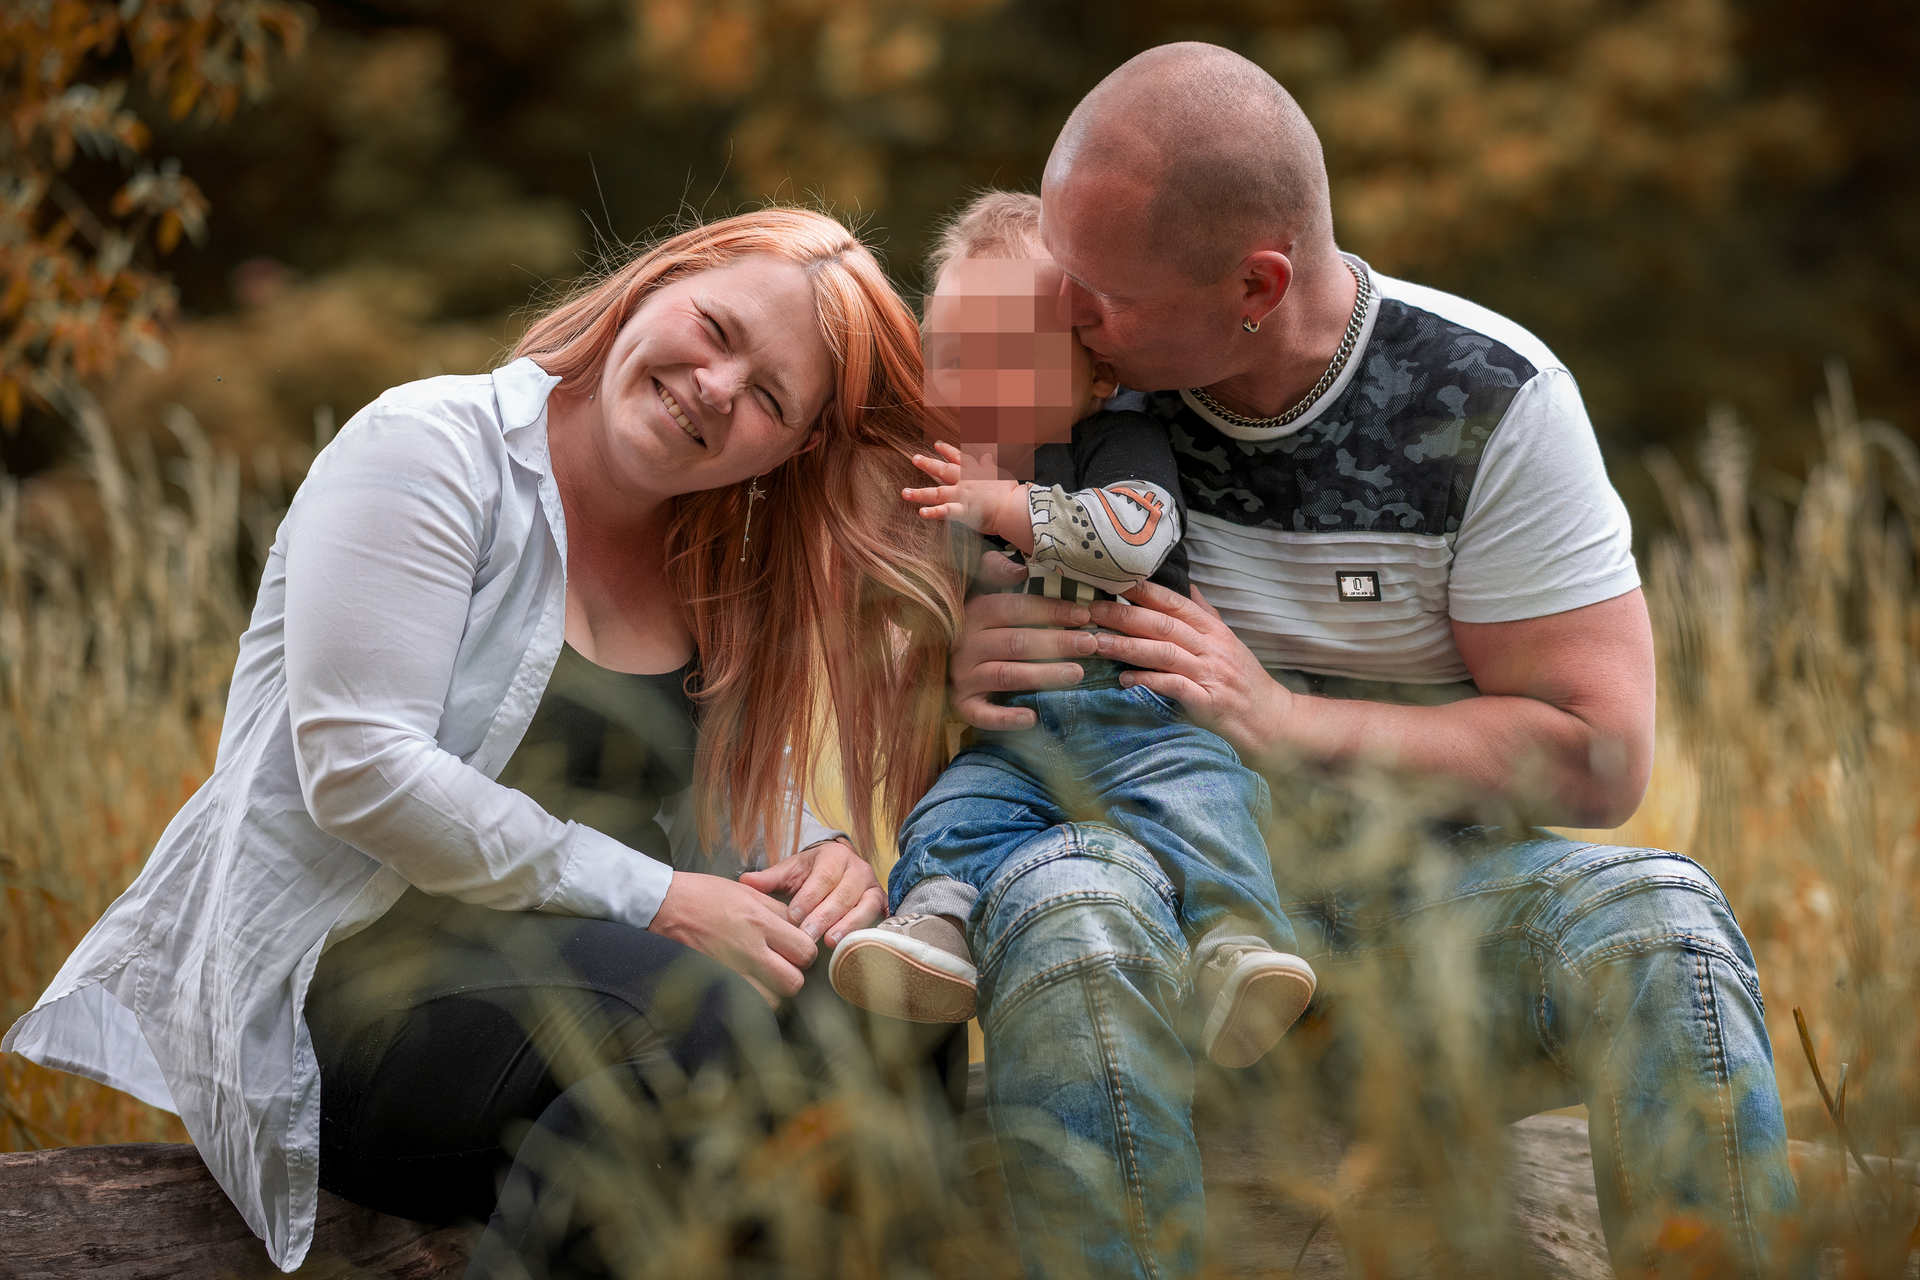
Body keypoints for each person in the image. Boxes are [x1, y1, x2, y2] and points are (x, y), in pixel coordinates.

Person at [945, 44, 1800, 1280]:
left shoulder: (1486, 399)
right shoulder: (1071, 377)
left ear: (1256, 282)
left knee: (1659, 916)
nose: (1060, 311)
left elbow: (1599, 756)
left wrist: (1283, 717)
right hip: (1145, 923)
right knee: (1070, 903)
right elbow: (857, 540)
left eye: (1099, 291)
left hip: (1429, 931)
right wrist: (950, 648)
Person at [2, 209, 966, 1276]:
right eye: (716, 328)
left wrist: (821, 854)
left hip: (600, 987)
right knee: (707, 1026)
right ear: (660, 281)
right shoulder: (429, 447)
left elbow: (734, 800)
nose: (717, 386)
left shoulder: (716, 567)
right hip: (354, 995)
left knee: (885, 1011)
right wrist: (660, 897)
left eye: (771, 397)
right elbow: (361, 768)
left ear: (798, 446)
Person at [828, 192, 1315, 1070]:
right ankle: (938, 922)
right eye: (947, 356)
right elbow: (898, 598)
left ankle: (1235, 948)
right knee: (953, 811)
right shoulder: (953, 469)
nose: (968, 385)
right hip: (1016, 742)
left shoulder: (1114, 445)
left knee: (1206, 808)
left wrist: (1005, 509)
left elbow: (1135, 538)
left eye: (1005, 359)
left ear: (1098, 376)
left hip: (1146, 728)